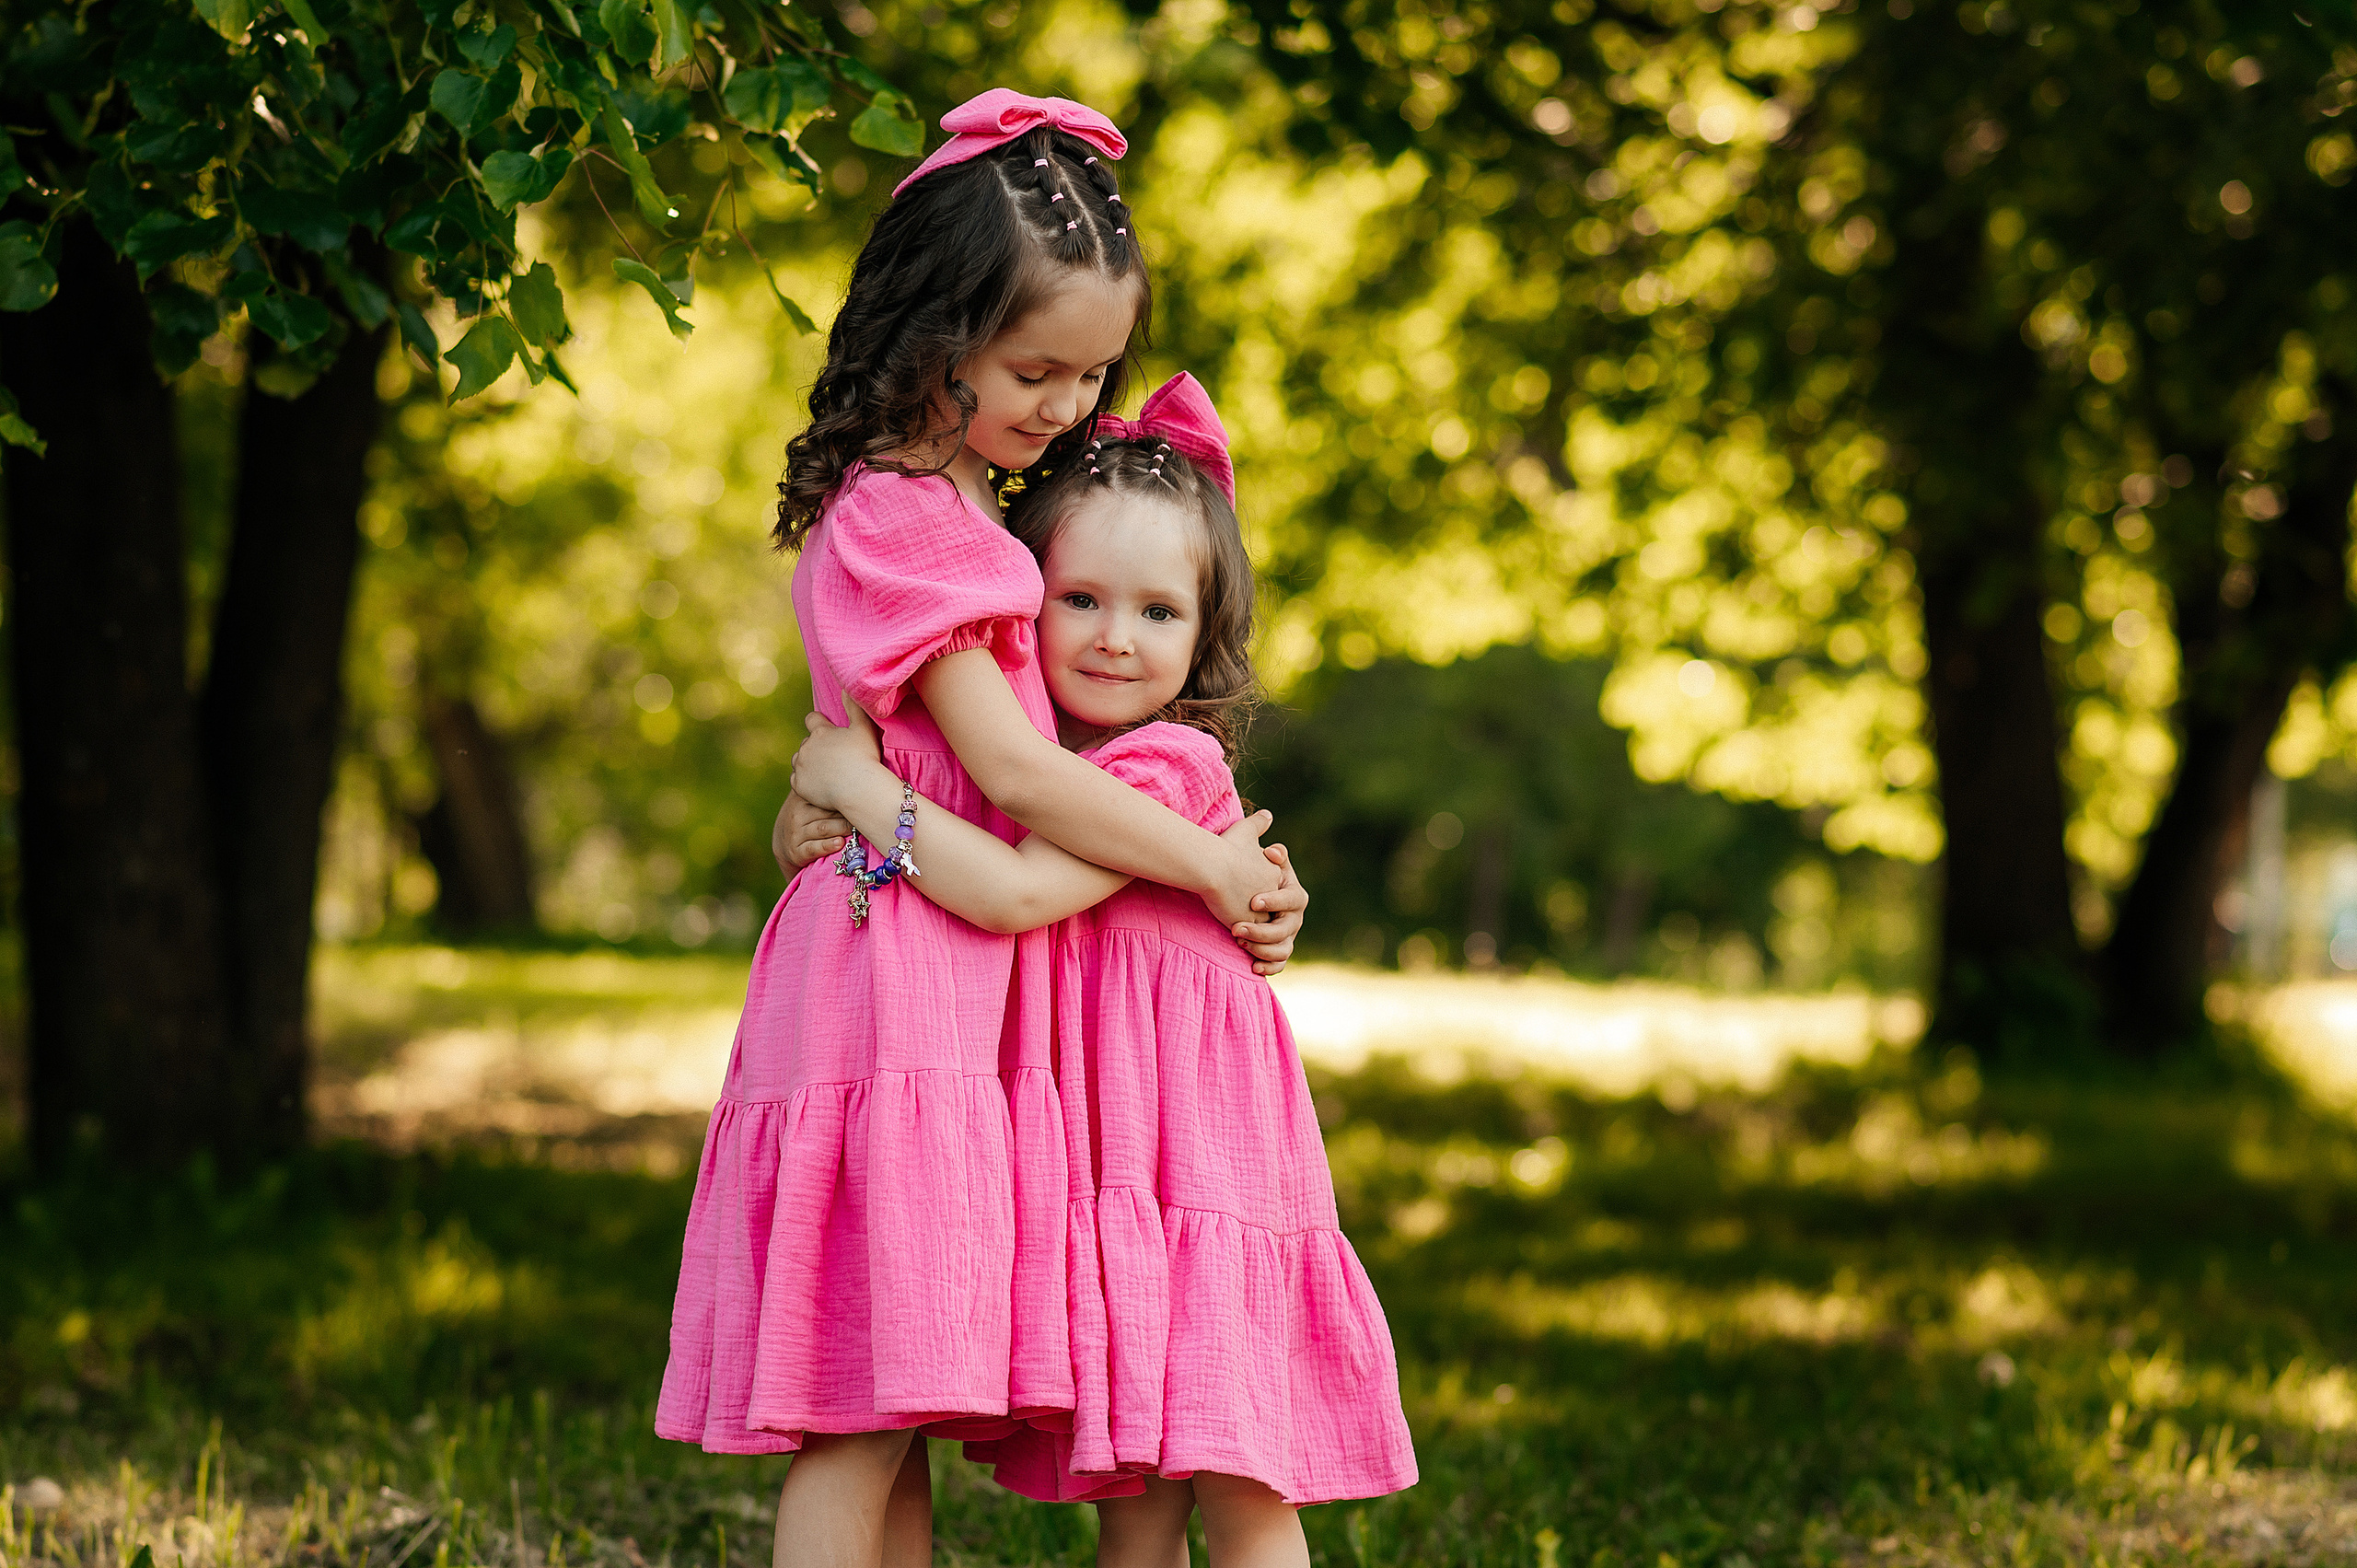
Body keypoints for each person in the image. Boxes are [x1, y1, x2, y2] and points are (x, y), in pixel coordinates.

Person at [654, 92, 1309, 1568]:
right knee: (856, 1410)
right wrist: (1211, 860)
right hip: (906, 980)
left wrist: (833, 787)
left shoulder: (962, 504)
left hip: (937, 975)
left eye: (1092, 373)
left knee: (894, 1401)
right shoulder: (909, 518)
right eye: (1036, 368)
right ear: (932, 326)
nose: (1068, 407)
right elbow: (1011, 775)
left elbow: (895, 758)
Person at [786, 376, 1417, 1568]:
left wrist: (857, 785)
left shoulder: (1163, 772)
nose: (1118, 636)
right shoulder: (1046, 766)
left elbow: (1013, 889)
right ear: (1025, 605)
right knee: (1138, 1484)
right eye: (1080, 599)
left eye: (1160, 612)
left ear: (1206, 632)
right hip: (1125, 1159)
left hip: (1202, 1167)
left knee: (1234, 1468)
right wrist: (806, 810)